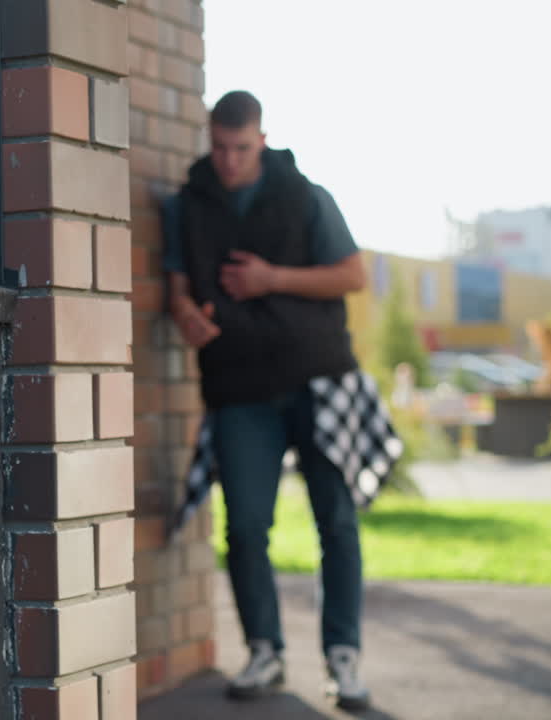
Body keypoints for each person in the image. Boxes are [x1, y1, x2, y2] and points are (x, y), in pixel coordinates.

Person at [163, 90, 402, 711]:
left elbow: (352, 275)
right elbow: (178, 287)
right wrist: (186, 314)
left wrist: (272, 279)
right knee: (244, 527)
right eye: (218, 147)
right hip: (239, 389)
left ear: (262, 140)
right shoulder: (189, 204)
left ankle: (343, 659)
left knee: (336, 523)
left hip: (319, 381)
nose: (228, 160)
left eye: (241, 148)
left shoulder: (306, 195)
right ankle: (263, 651)